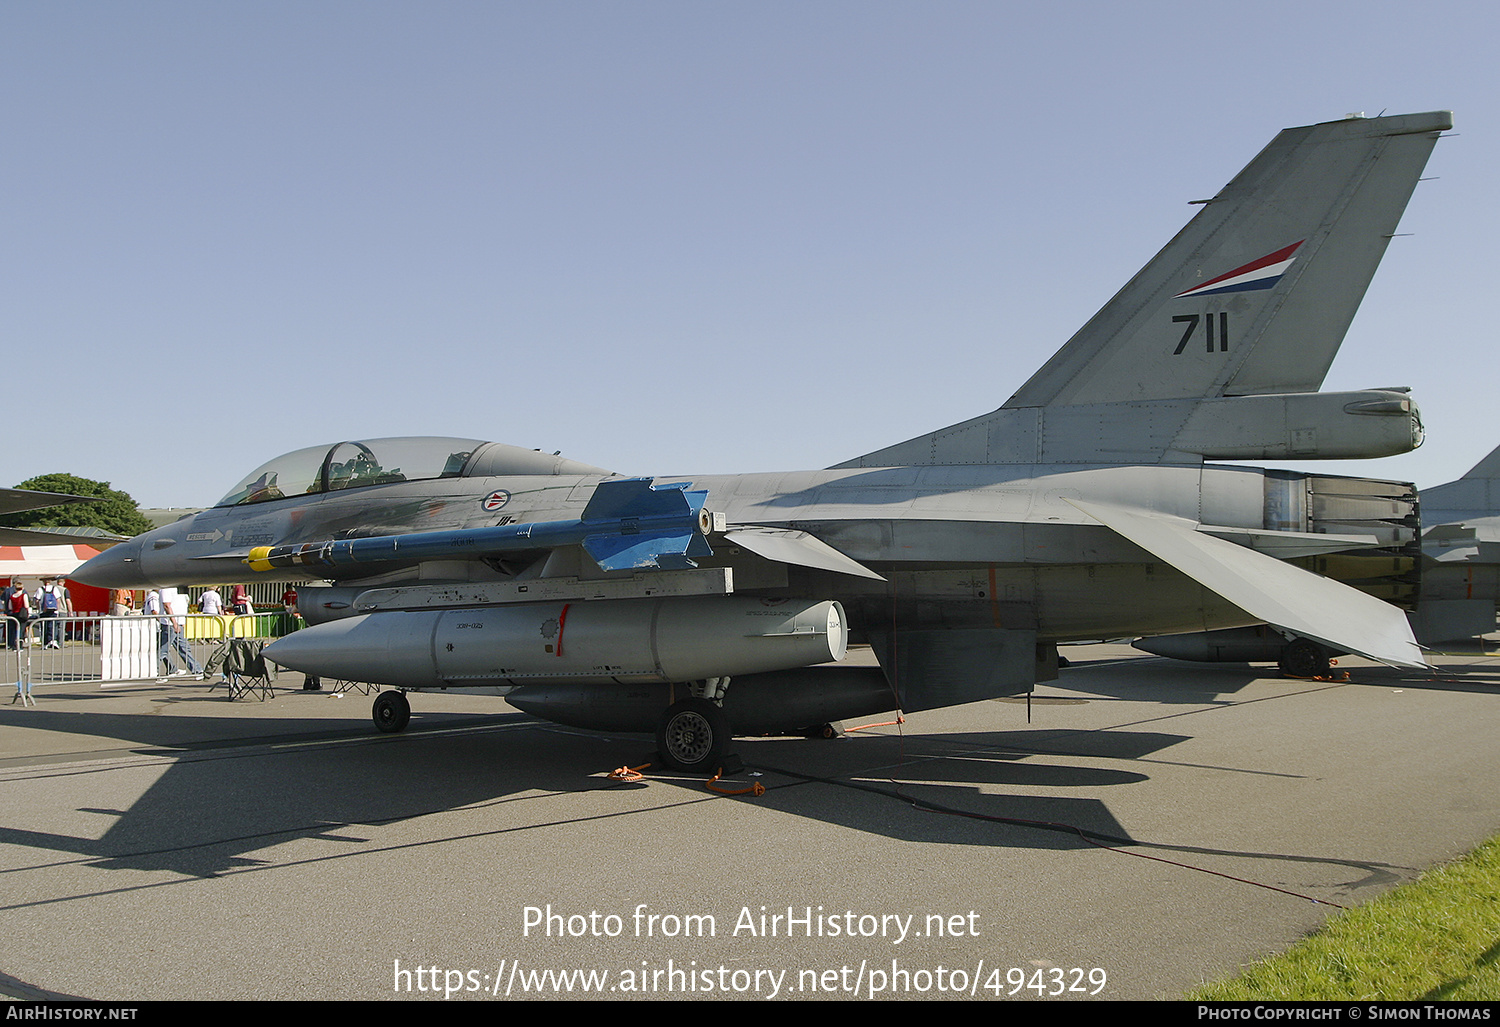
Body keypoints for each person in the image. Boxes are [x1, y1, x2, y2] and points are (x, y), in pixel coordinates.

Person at [148, 587, 202, 680]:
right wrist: (174, 622)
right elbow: (166, 605)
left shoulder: (179, 589)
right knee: (162, 650)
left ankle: (196, 670)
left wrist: (181, 622)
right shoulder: (166, 589)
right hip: (169, 624)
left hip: (178, 623)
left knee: (184, 648)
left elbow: (181, 605)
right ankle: (153, 673)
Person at [34, 578, 69, 648]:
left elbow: (37, 600)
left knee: (44, 627)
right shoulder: (54, 589)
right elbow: (58, 599)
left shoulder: (40, 589)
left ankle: (45, 642)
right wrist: (57, 609)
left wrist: (39, 608)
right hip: (53, 611)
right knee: (53, 626)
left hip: (43, 611)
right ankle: (53, 640)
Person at [4, 581, 29, 650]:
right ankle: (19, 646)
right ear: (22, 588)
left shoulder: (12, 596)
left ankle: (14, 645)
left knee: (15, 630)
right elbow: (26, 605)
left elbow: (10, 607)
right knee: (21, 630)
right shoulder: (24, 595)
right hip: (22, 614)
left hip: (14, 614)